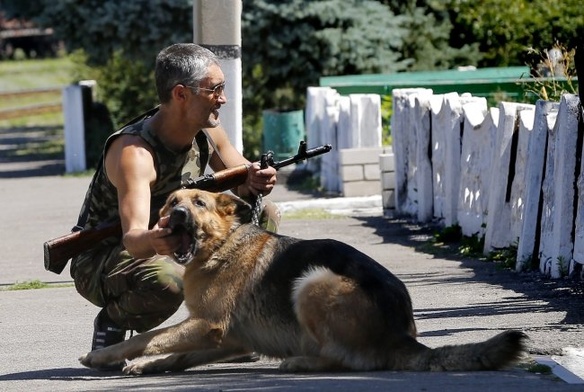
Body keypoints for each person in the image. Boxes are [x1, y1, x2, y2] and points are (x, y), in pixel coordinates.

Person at [70, 43, 280, 368]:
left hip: (171, 236)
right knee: (170, 279)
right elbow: (134, 238)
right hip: (104, 260)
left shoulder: (206, 133)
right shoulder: (135, 153)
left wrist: (255, 179)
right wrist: (156, 242)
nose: (223, 98)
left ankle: (239, 327)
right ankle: (114, 320)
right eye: (215, 90)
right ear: (181, 94)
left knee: (263, 212)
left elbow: (239, 179)